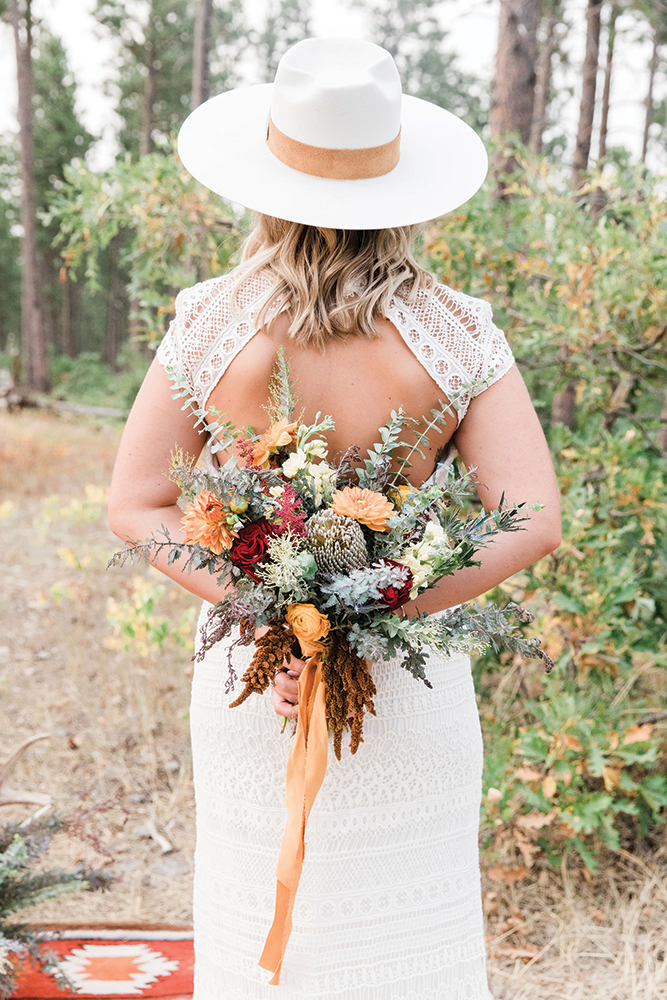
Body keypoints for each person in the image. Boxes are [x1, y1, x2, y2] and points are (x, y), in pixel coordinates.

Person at [109, 36, 561, 1000]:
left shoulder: (211, 321)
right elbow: (530, 522)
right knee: (405, 936)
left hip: (250, 672)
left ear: (266, 182)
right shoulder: (457, 334)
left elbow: (136, 504)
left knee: (268, 930)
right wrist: (372, 614)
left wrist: (283, 619)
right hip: (410, 677)